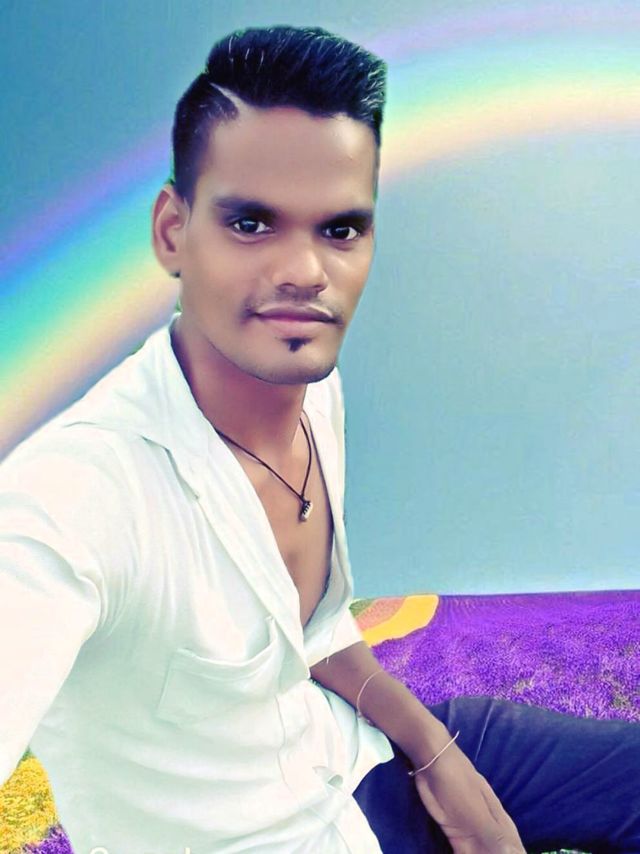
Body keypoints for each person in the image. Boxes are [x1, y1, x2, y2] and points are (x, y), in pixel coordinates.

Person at [0, 24, 638, 854]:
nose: (305, 271)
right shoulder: (69, 496)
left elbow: (318, 630)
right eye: (251, 223)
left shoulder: (315, 392)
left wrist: (438, 754)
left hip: (373, 758)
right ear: (171, 231)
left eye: (340, 230)